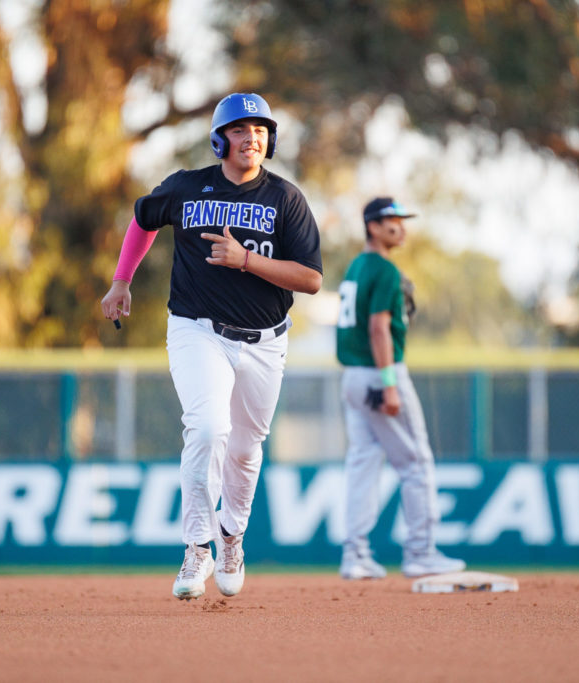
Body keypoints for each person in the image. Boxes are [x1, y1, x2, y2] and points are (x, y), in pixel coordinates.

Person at [101, 93, 322, 600]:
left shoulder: (285, 199)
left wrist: (245, 260)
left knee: (244, 450)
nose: (252, 138)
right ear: (220, 139)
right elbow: (143, 219)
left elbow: (310, 279)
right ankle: (197, 544)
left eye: (260, 130)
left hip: (265, 342)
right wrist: (121, 281)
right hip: (196, 329)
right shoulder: (186, 186)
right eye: (240, 129)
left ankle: (232, 537)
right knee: (206, 428)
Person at [335, 197, 466, 580]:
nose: (401, 227)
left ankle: (355, 555)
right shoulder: (385, 270)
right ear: (373, 227)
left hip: (353, 378)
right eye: (393, 220)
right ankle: (421, 552)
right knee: (416, 463)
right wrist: (390, 384)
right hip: (381, 375)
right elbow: (379, 329)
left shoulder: (356, 267)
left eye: (402, 220)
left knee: (362, 463)